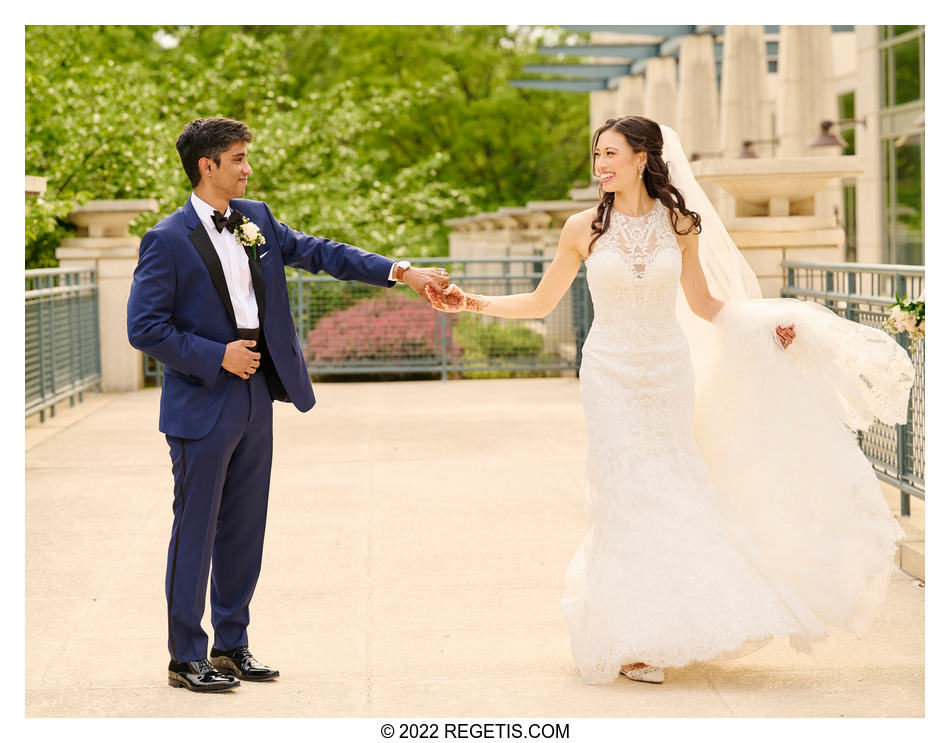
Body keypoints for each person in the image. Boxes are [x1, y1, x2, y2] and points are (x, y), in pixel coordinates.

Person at [426, 115, 914, 685]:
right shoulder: (582, 227)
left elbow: (705, 304)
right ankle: (631, 640)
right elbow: (540, 302)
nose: (600, 163)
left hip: (667, 371)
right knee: (624, 491)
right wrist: (470, 303)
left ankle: (675, 619)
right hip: (609, 372)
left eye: (611, 153)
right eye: (596, 154)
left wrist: (765, 326)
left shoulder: (681, 223)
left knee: (673, 488)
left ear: (642, 158)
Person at [127, 117, 450, 693]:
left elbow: (321, 253)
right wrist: (215, 355)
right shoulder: (167, 239)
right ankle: (185, 656)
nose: (248, 168)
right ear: (208, 166)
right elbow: (144, 329)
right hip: (204, 397)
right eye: (239, 159)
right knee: (196, 527)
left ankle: (232, 646)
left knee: (245, 526)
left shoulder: (257, 219)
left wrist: (402, 272)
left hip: (258, 392)